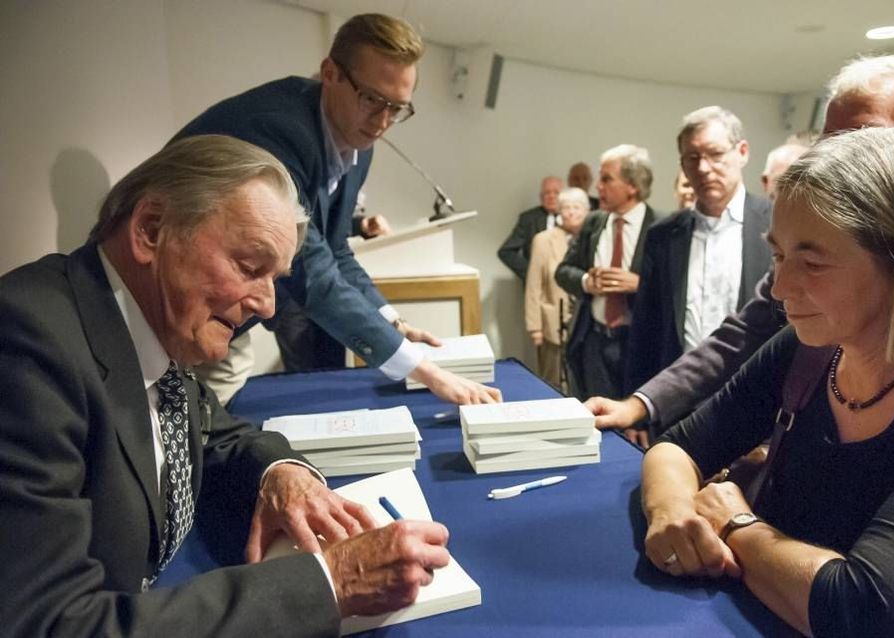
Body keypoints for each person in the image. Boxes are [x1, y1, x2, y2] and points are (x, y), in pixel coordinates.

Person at [0, 136, 452, 636]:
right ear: (151, 230)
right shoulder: (26, 342)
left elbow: (213, 431)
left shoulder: (146, 321)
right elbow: (51, 623)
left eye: (275, 278)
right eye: (249, 267)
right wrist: (332, 582)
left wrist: (281, 474)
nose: (268, 305)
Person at [643, 126, 894, 637]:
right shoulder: (810, 349)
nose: (779, 287)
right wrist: (670, 512)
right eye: (778, 256)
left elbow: (867, 610)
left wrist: (736, 525)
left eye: (812, 262)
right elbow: (677, 449)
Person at [587, 54, 894, 447]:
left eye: (863, 138)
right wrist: (641, 403)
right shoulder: (817, 229)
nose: (842, 161)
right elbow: (743, 334)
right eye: (831, 141)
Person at [174, 13, 500, 406]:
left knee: (215, 417)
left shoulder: (357, 147)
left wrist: (392, 322)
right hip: (179, 310)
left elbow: (337, 249)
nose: (382, 122)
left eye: (396, 109)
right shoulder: (279, 130)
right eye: (371, 100)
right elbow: (311, 266)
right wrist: (422, 369)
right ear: (330, 73)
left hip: (231, 321)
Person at [624, 107, 772, 394]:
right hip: (674, 398)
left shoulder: (776, 224)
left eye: (715, 154)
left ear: (742, 152)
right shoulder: (662, 235)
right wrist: (638, 397)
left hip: (754, 397)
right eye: (692, 158)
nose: (703, 168)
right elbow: (646, 326)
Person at [555, 144, 661, 400]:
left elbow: (674, 292)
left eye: (606, 179)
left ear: (633, 185)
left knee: (635, 427)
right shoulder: (594, 222)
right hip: (594, 341)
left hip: (638, 346)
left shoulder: (661, 228)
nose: (597, 187)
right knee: (596, 421)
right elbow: (563, 271)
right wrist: (585, 282)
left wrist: (639, 284)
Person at [524, 187, 590, 389]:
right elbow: (534, 285)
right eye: (566, 208)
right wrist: (534, 327)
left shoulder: (594, 239)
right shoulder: (543, 240)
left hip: (585, 323)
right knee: (551, 382)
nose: (571, 212)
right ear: (559, 212)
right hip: (552, 323)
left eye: (577, 207)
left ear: (587, 211)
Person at [497, 176, 563, 281]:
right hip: (536, 286)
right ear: (541, 197)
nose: (551, 196)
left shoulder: (571, 218)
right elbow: (506, 251)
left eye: (556, 192)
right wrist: (531, 272)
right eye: (547, 193)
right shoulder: (528, 219)